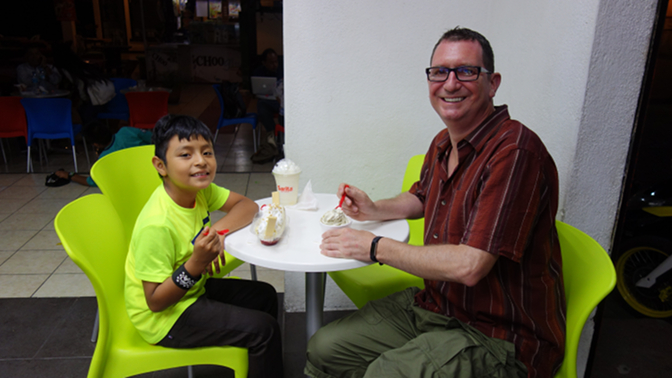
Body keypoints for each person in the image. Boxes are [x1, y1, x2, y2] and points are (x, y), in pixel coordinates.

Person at [306, 27, 565, 378]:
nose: (451, 83)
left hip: (502, 338)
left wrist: (374, 247)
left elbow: (470, 266)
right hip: (438, 309)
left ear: (493, 83)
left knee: (384, 374)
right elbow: (422, 197)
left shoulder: (516, 152)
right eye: (439, 71)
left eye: (467, 71)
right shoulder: (444, 142)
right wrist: (374, 209)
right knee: (324, 349)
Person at [125, 114, 284, 378]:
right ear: (160, 165)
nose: (201, 161)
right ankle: (259, 349)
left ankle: (257, 364)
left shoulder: (199, 191)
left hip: (191, 291)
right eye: (185, 155)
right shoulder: (157, 224)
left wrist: (219, 233)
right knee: (263, 329)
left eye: (207, 152)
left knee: (265, 295)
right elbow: (154, 302)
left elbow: (247, 205)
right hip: (164, 319)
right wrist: (196, 264)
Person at [54, 122, 152, 187]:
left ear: (95, 144)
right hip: (153, 169)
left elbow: (92, 182)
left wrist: (69, 175)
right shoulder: (126, 131)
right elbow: (153, 138)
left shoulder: (104, 158)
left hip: (135, 183)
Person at [52, 43, 115, 126]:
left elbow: (81, 92)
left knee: (84, 115)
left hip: (95, 99)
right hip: (104, 97)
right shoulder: (80, 66)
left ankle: (90, 135)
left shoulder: (68, 71)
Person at [251, 48, 282, 163]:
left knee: (284, 112)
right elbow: (254, 92)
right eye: (271, 62)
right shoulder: (258, 72)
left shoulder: (282, 71)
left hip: (279, 101)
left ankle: (280, 139)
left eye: (276, 62)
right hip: (265, 100)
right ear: (264, 63)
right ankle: (272, 136)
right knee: (262, 109)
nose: (274, 65)